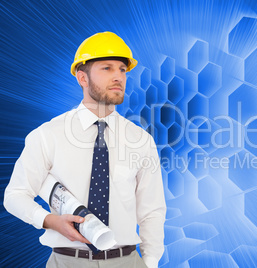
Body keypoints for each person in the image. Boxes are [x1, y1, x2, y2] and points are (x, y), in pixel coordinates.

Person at [4, 31, 166, 268]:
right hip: (67, 261)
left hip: (127, 261)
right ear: (82, 78)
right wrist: (49, 221)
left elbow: (152, 211)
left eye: (122, 69)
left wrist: (150, 263)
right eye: (107, 68)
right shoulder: (49, 135)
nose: (118, 77)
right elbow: (15, 195)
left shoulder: (141, 140)